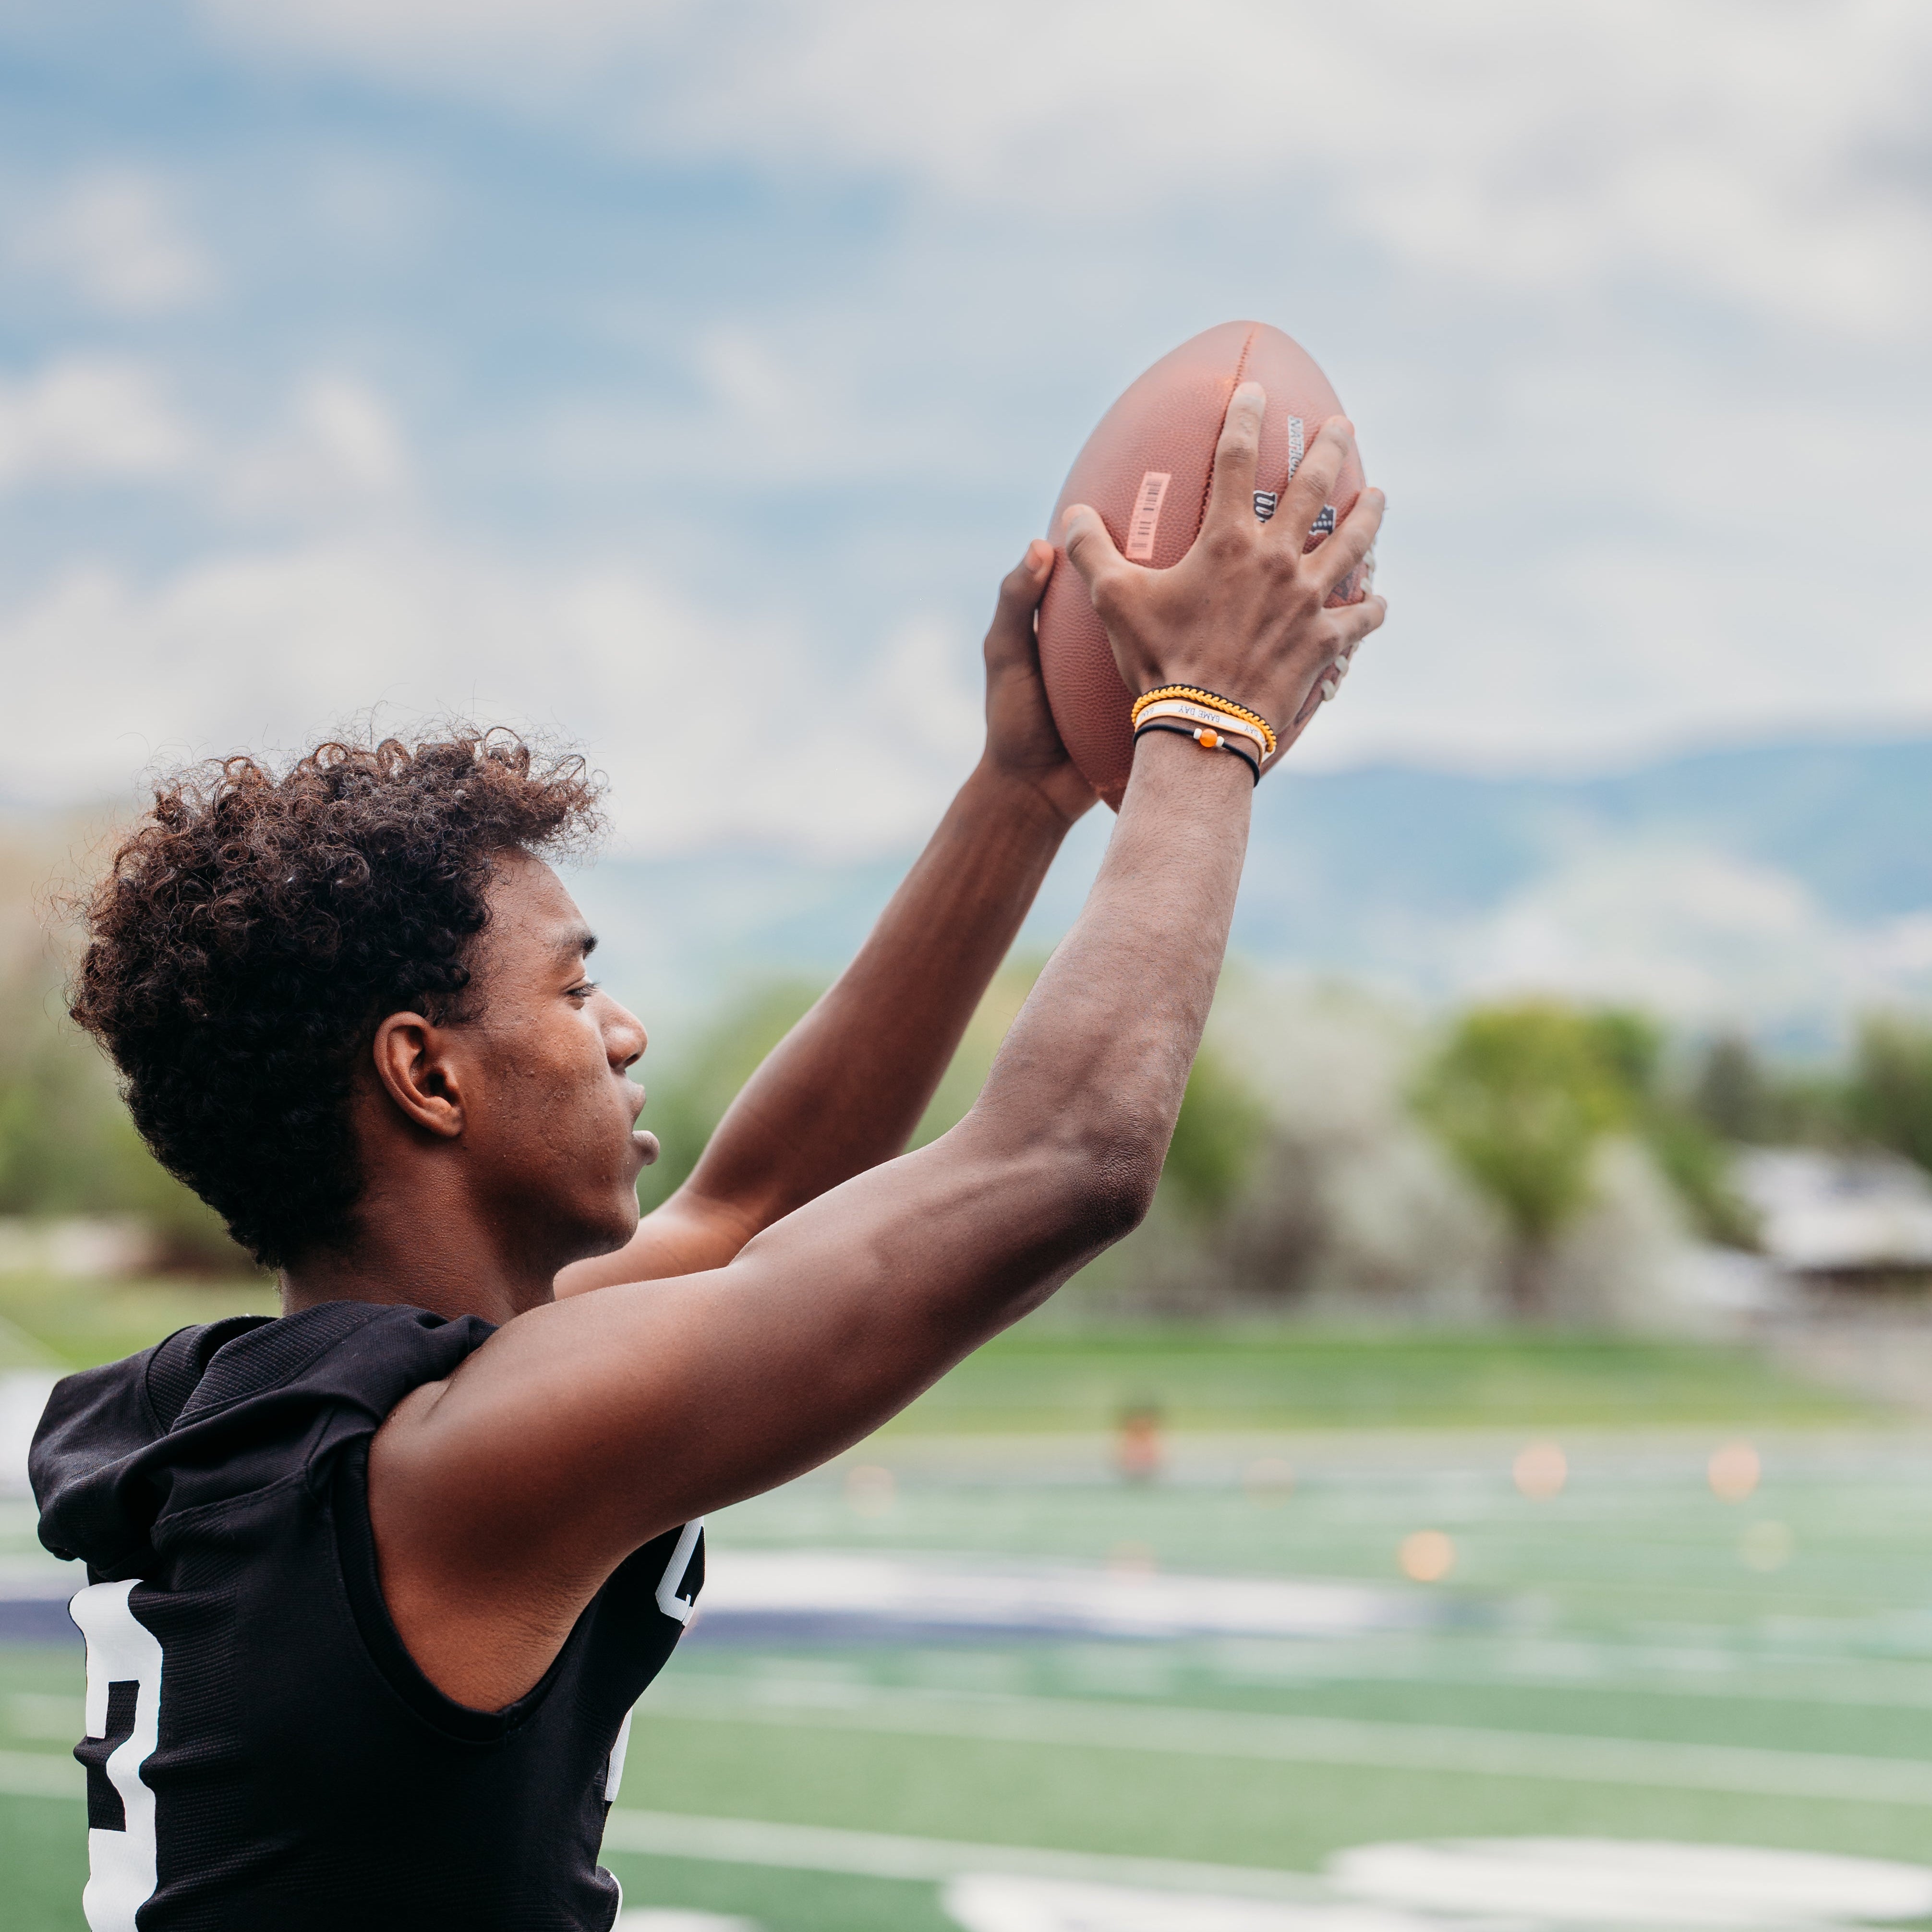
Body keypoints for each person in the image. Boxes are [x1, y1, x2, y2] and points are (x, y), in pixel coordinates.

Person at [32, 386, 1384, 1930]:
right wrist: (1211, 720)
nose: (622, 1029)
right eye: (569, 986)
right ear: (425, 1075)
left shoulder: (363, 1401)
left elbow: (758, 1204)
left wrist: (1024, 794)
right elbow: (1064, 1162)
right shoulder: (456, 1467)